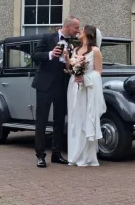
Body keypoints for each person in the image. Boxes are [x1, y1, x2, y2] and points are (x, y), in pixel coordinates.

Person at [31, 15, 80, 168]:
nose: (77, 31)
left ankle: (57, 154)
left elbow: (71, 64)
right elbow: (35, 56)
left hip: (62, 85)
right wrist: (50, 54)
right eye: (76, 28)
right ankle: (40, 155)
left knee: (59, 121)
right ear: (67, 27)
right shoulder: (47, 37)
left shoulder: (72, 43)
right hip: (45, 85)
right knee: (42, 121)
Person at [63, 25, 106, 167]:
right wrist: (68, 62)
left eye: (82, 29)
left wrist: (85, 78)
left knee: (85, 118)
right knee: (75, 119)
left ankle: (86, 157)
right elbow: (70, 69)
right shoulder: (75, 50)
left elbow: (98, 71)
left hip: (87, 89)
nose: (79, 31)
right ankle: (74, 154)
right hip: (74, 87)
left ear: (89, 33)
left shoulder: (95, 51)